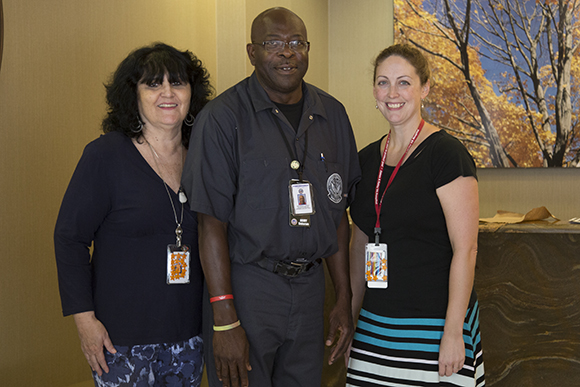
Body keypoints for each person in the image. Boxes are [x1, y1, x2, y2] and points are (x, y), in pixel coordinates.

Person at [181, 7, 361, 387]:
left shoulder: (333, 115)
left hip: (311, 290)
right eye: (273, 44)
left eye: (297, 43)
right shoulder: (222, 119)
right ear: (252, 52)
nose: (287, 52)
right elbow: (210, 225)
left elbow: (336, 217)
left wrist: (342, 299)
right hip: (249, 290)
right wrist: (224, 318)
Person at [54, 42, 212, 386]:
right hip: (120, 341)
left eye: (178, 83)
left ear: (191, 94)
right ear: (134, 95)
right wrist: (85, 322)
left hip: (189, 338)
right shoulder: (105, 155)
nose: (167, 93)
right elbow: (70, 238)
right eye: (153, 84)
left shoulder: (203, 158)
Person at [346, 44, 485, 386]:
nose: (392, 93)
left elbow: (466, 250)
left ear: (424, 89)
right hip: (375, 327)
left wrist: (454, 332)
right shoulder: (364, 160)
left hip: (434, 325)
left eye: (404, 83)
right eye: (383, 82)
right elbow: (360, 242)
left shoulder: (447, 155)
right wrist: (351, 320)